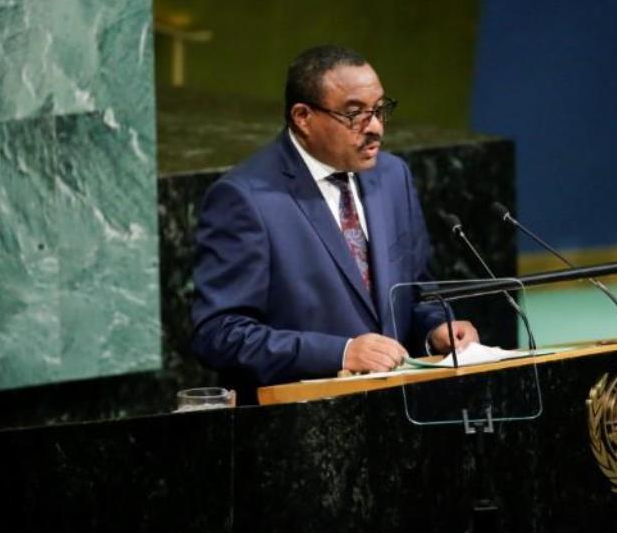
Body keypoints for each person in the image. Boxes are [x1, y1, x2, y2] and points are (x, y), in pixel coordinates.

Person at [190, 45, 478, 399]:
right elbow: (219, 333)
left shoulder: (392, 176)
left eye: (379, 110)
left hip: (401, 415)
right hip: (302, 425)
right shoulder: (246, 198)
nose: (375, 128)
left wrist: (437, 328)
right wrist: (340, 353)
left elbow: (416, 290)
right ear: (302, 117)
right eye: (355, 114)